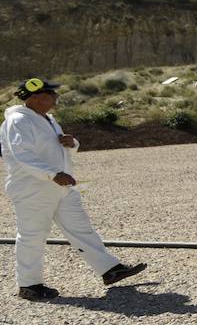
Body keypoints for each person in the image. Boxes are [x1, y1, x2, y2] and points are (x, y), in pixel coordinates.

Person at [1, 77, 147, 301]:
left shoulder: (48, 119)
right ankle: (29, 285)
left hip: (59, 187)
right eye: (51, 94)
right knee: (32, 235)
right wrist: (53, 174)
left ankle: (110, 269)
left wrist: (72, 143)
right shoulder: (18, 121)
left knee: (81, 228)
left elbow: (55, 149)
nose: (55, 98)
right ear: (35, 97)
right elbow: (22, 155)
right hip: (33, 188)